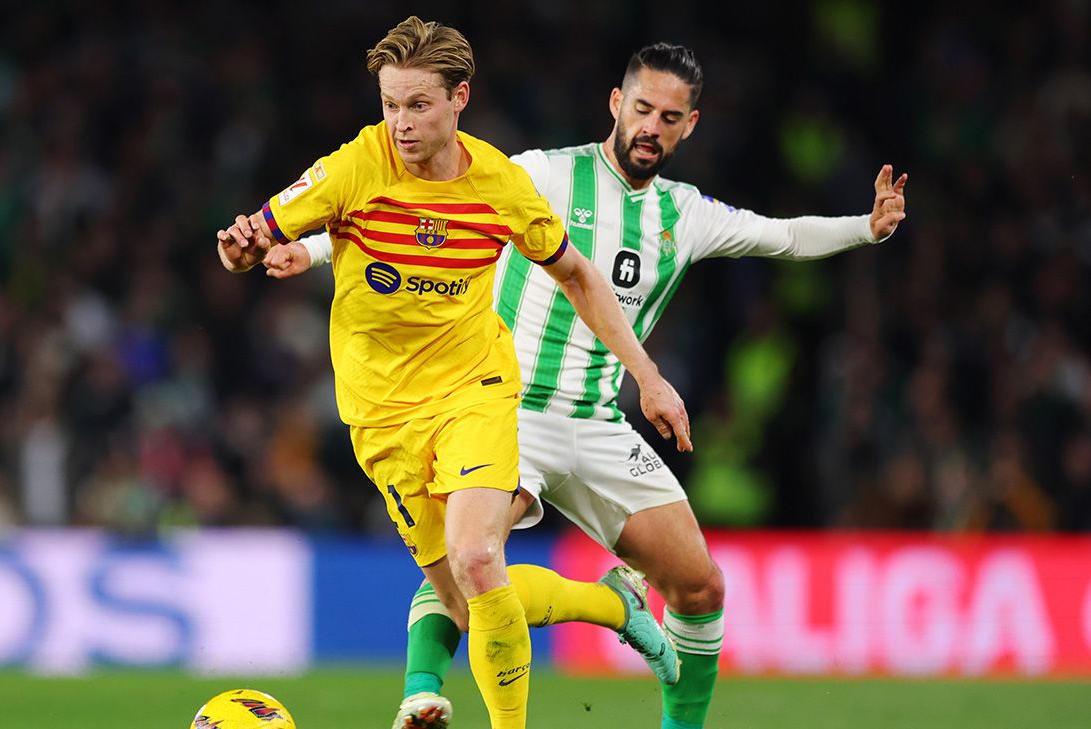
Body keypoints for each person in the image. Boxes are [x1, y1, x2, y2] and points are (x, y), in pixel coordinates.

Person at [269, 42, 908, 729]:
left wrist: (866, 229)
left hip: (597, 422)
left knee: (699, 585)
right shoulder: (540, 174)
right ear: (615, 103)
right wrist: (305, 248)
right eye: (641, 109)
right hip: (500, 406)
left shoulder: (685, 214)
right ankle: (421, 691)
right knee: (469, 559)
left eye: (669, 116)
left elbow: (779, 237)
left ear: (689, 125)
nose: (650, 127)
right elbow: (414, 214)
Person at [217, 19, 690, 729]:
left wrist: (646, 375)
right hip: (380, 414)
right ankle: (610, 603)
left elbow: (577, 274)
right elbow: (251, 238)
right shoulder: (352, 167)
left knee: (476, 554)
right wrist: (243, 248)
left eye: (418, 105)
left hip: (476, 390)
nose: (400, 124)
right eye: (389, 105)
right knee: (471, 606)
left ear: (459, 97)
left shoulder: (499, 183)